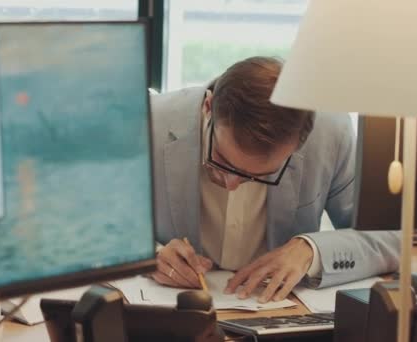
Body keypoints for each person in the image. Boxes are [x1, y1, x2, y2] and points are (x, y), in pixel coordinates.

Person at [150, 56, 400, 303]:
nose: (231, 185)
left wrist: (311, 250)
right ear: (208, 107)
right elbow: (111, 225)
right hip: (175, 312)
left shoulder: (331, 133)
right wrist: (150, 254)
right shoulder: (149, 121)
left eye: (260, 176)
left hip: (283, 313)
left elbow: (394, 236)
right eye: (220, 162)